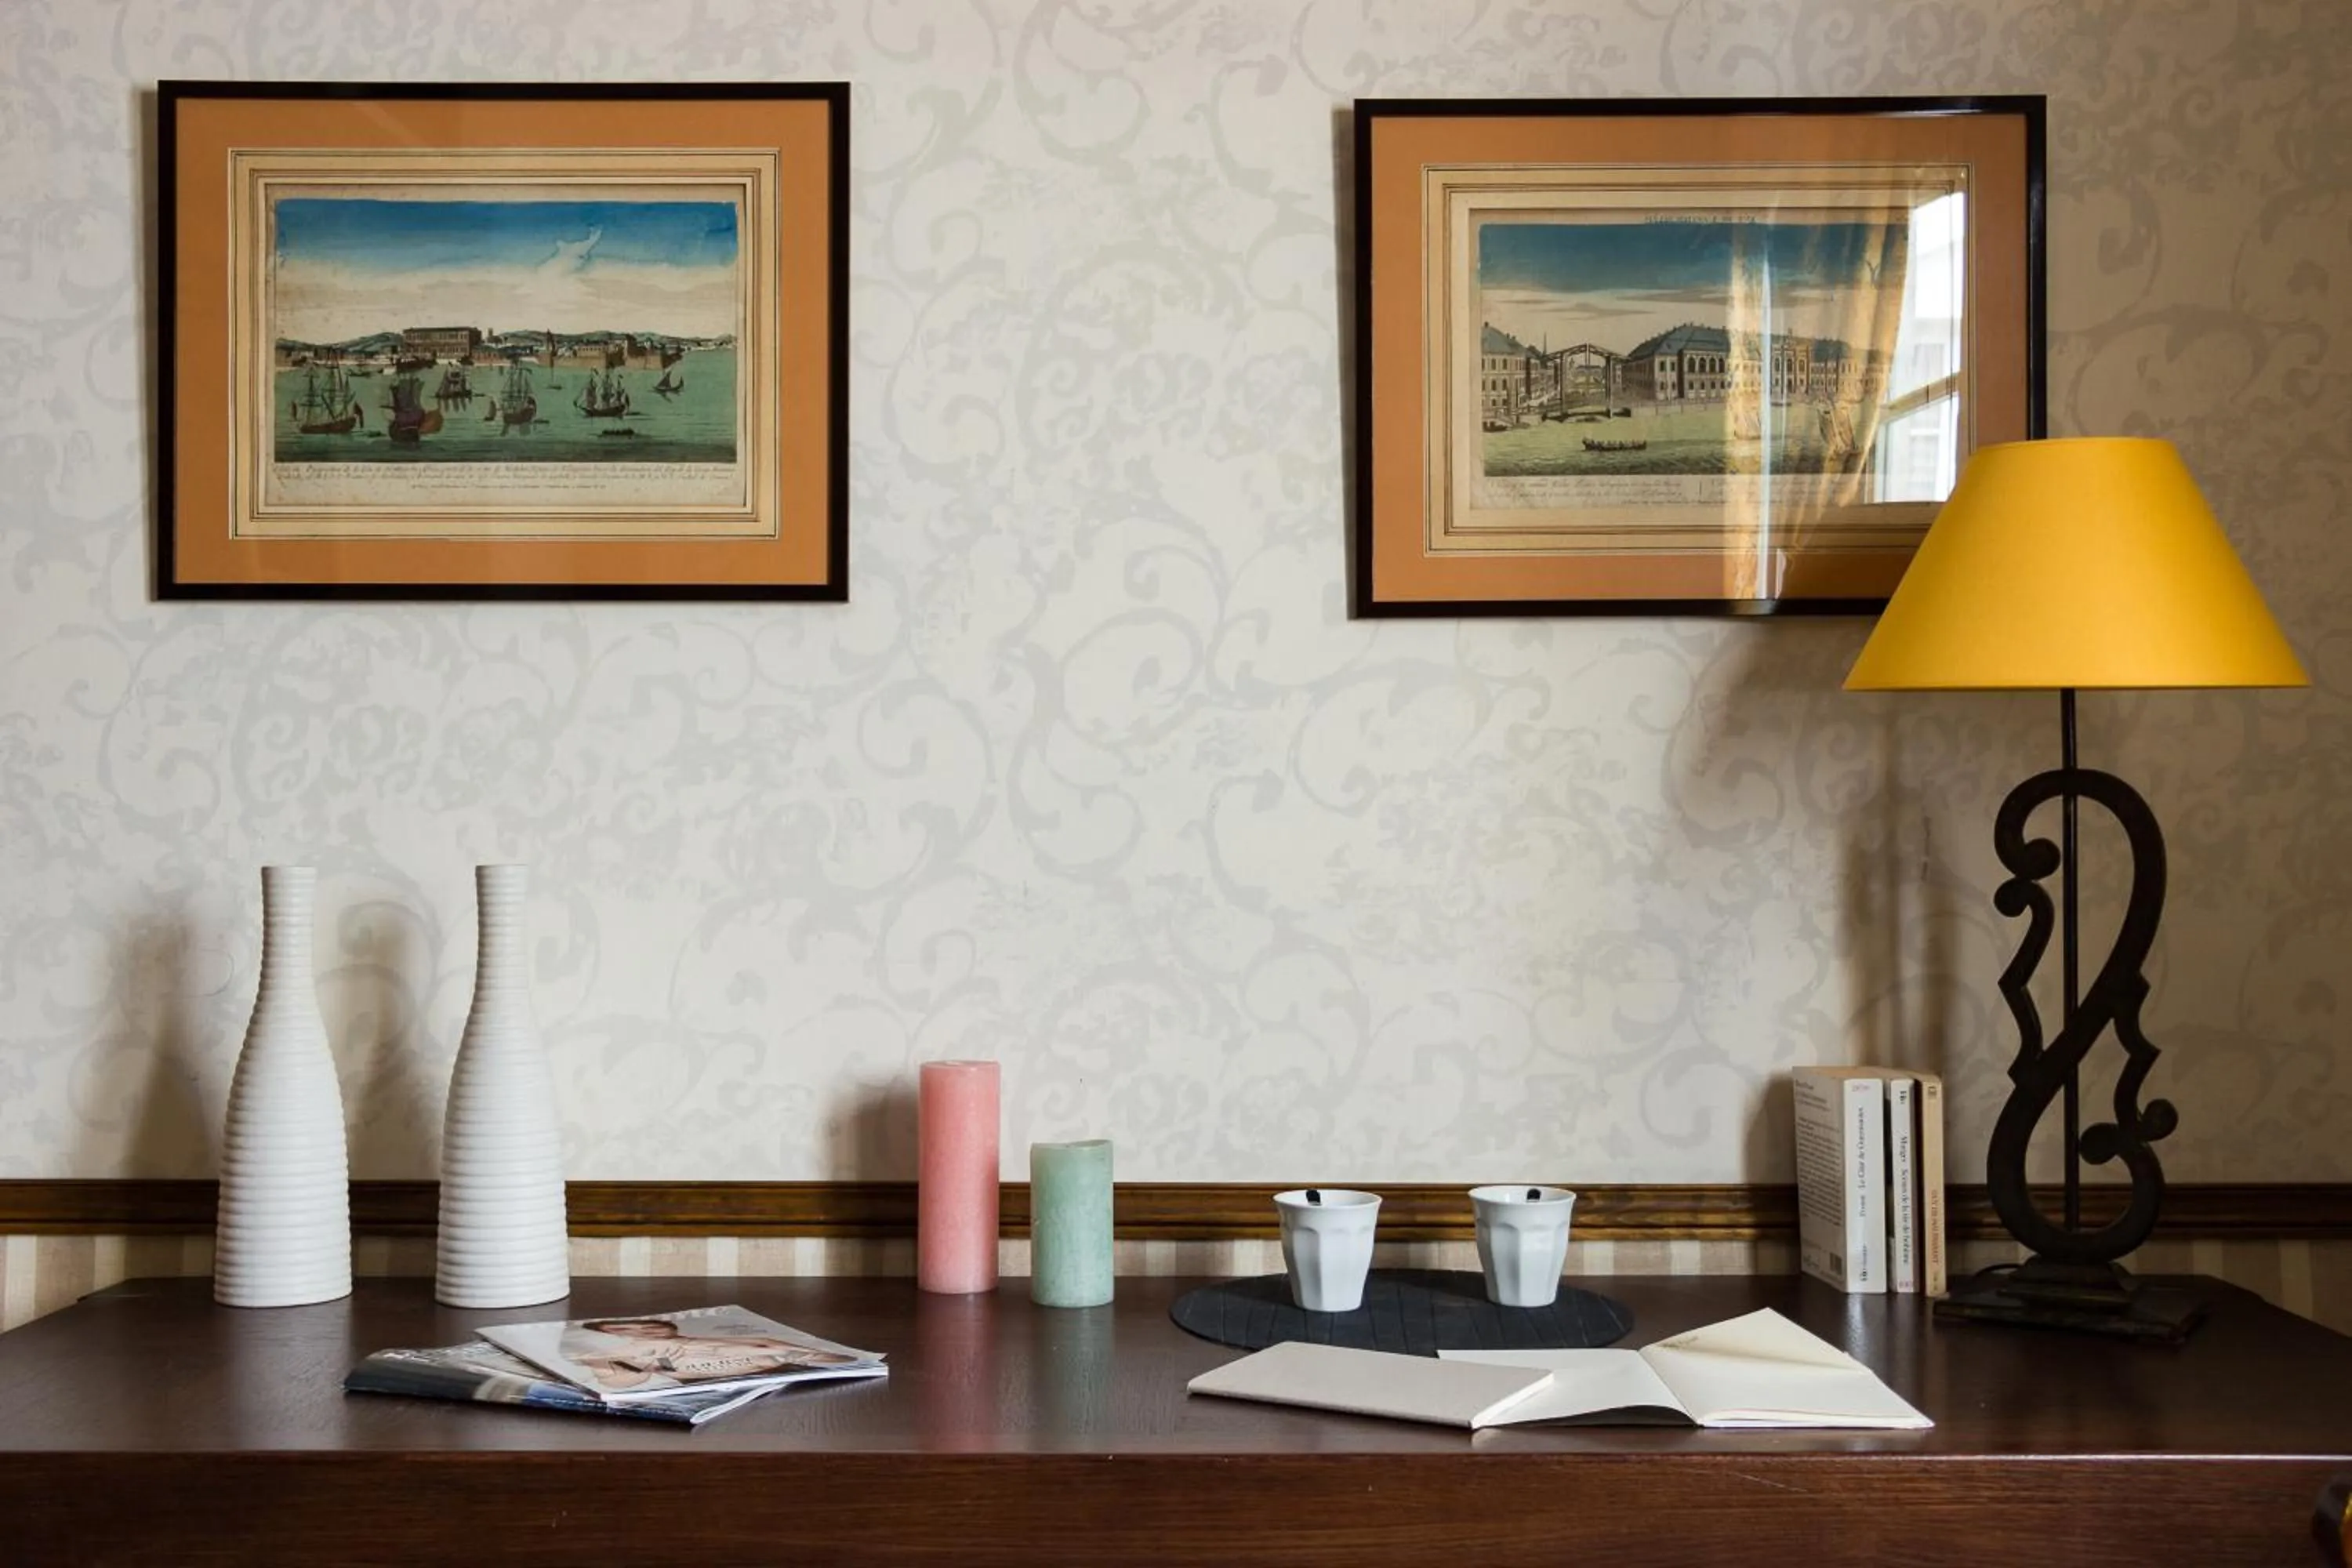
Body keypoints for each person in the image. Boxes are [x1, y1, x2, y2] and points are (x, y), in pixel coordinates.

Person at [568, 1317, 858, 1392]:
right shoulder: (623, 1355)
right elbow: (615, 1384)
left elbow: (843, 1362)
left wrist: (796, 1358)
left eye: (647, 1327)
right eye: (626, 1330)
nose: (644, 1332)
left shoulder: (757, 1342)